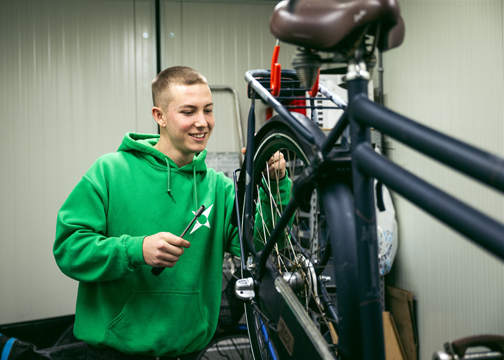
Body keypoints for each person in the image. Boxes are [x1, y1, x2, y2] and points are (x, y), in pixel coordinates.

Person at [53, 66, 291, 360]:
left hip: (187, 352)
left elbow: (265, 246)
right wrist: (135, 250)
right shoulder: (110, 172)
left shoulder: (218, 188)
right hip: (114, 352)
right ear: (160, 116)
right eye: (188, 112)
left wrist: (276, 184)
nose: (202, 122)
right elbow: (69, 249)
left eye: (208, 110)